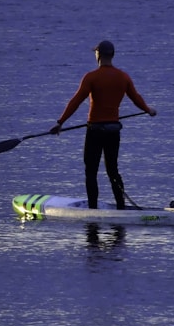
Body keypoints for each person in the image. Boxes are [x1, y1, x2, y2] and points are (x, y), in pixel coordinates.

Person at [50, 40, 156, 210]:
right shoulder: (123, 77)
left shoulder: (91, 77)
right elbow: (136, 97)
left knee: (91, 171)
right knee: (112, 170)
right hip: (114, 130)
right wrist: (148, 109)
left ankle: (92, 210)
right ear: (112, 55)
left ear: (98, 55)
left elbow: (76, 101)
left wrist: (60, 122)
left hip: (95, 130)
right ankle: (121, 207)